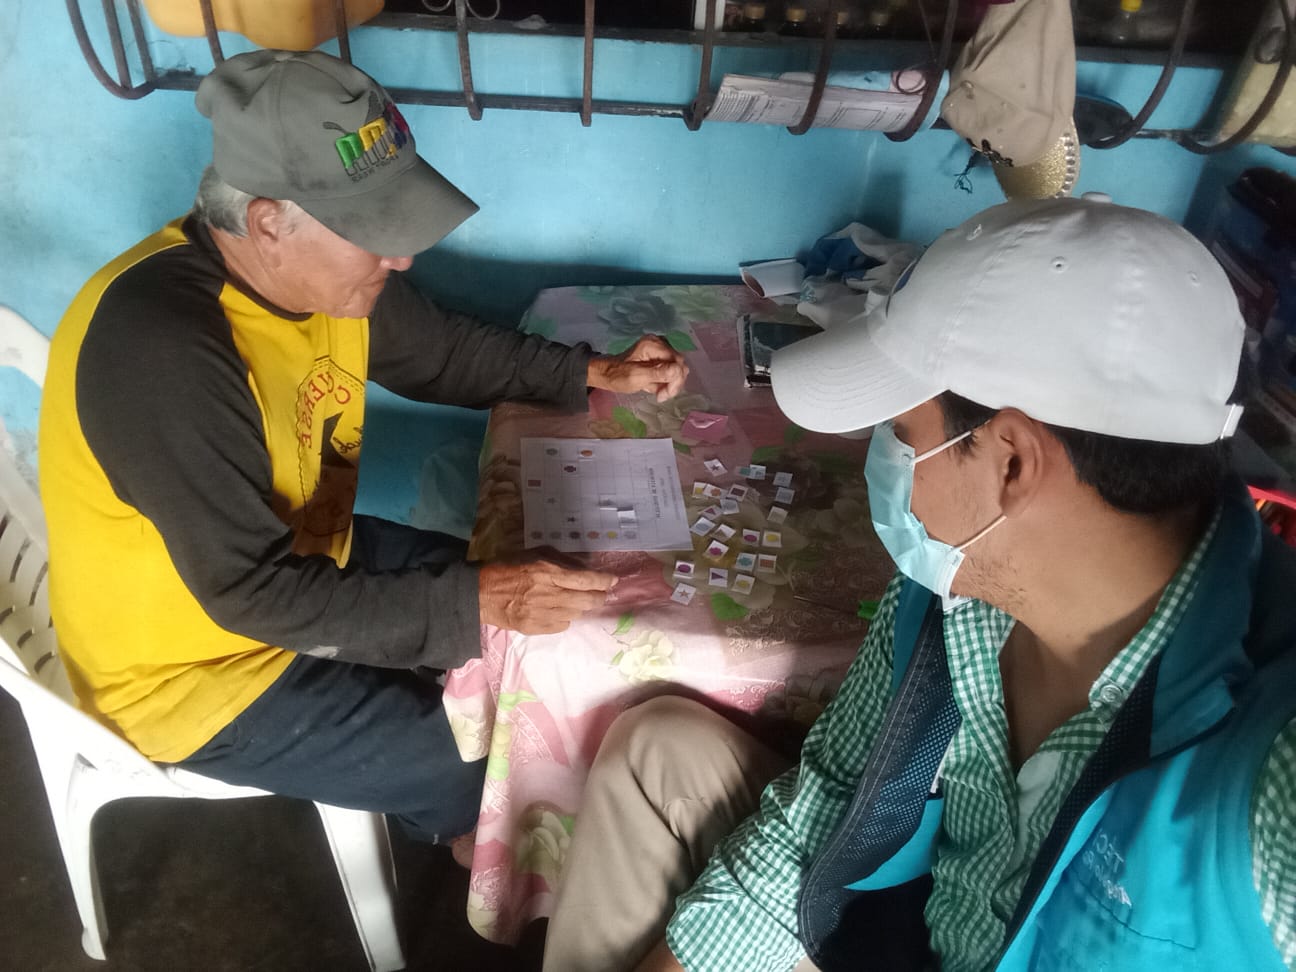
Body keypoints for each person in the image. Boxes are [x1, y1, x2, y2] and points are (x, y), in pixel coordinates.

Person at [542, 195, 1296, 971]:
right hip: (904, 941)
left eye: (902, 435)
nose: (886, 463)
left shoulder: (1270, 773)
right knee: (658, 747)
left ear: (1012, 462)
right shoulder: (954, 594)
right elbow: (827, 806)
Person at [37, 49, 687, 848]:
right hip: (195, 672)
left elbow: (440, 351)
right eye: (373, 232)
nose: (401, 257)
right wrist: (476, 602)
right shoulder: (163, 349)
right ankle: (481, 859)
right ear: (268, 222)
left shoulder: (313, 279)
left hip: (312, 560)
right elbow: (253, 595)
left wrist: (592, 371)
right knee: (489, 758)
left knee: (544, 606)